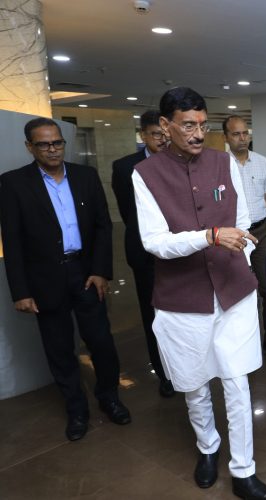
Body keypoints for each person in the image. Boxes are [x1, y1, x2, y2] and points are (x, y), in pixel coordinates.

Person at [132, 87, 266, 500]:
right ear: (165, 125)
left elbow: (243, 222)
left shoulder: (223, 162)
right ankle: (208, 447)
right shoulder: (146, 174)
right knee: (194, 384)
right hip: (182, 298)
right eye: (187, 125)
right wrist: (208, 236)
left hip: (234, 292)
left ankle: (244, 469)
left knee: (237, 382)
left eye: (203, 124)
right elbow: (155, 242)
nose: (197, 133)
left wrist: (242, 257)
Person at [0, 117, 131, 442]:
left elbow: (102, 226)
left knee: (101, 342)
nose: (52, 149)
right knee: (59, 349)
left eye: (57, 142)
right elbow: (12, 241)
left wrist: (100, 270)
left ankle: (109, 398)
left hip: (86, 274)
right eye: (43, 144)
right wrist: (21, 291)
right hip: (45, 279)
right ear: (30, 147)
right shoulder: (13, 183)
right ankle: (77, 410)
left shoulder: (85, 176)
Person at [111, 110, 175, 397]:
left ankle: (185, 366)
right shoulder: (125, 167)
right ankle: (164, 373)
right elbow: (128, 212)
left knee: (180, 313)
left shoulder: (180, 160)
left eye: (165, 134)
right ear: (143, 135)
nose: (162, 140)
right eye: (155, 134)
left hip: (180, 251)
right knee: (153, 315)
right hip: (145, 254)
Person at [223, 116, 266, 362]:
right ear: (226, 137)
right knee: (239, 290)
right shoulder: (219, 165)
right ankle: (241, 343)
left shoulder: (262, 162)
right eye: (236, 134)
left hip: (262, 232)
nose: (242, 138)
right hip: (234, 235)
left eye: (245, 133)